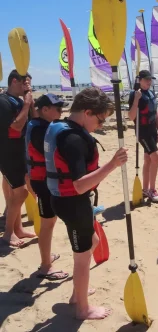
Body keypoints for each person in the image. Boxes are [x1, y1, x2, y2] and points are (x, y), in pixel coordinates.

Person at [44, 87, 128, 320]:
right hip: (72, 202)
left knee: (92, 241)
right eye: (100, 120)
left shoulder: (64, 128)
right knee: (82, 257)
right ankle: (82, 308)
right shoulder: (73, 139)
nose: (100, 126)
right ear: (88, 112)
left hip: (65, 200)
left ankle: (76, 294)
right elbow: (80, 185)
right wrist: (112, 164)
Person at [26, 94, 70, 280]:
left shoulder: (41, 126)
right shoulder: (40, 130)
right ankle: (45, 266)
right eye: (58, 109)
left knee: (49, 222)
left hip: (42, 180)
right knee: (47, 224)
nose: (61, 112)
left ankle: (46, 256)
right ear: (44, 110)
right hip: (42, 182)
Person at [0, 70, 36, 247]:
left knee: (20, 191)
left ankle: (18, 228)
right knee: (20, 192)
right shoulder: (3, 102)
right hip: (8, 154)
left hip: (21, 152)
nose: (28, 87)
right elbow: (14, 129)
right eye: (25, 83)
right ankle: (8, 234)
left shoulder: (20, 101)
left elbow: (36, 121)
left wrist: (30, 102)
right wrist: (26, 106)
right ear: (15, 81)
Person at [128, 70, 158, 203]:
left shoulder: (151, 93)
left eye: (150, 79)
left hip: (152, 131)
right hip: (143, 132)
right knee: (157, 159)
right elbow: (131, 116)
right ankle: (152, 190)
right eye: (146, 79)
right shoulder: (135, 94)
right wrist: (136, 100)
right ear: (140, 80)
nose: (149, 81)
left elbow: (156, 113)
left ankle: (145, 189)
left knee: (148, 160)